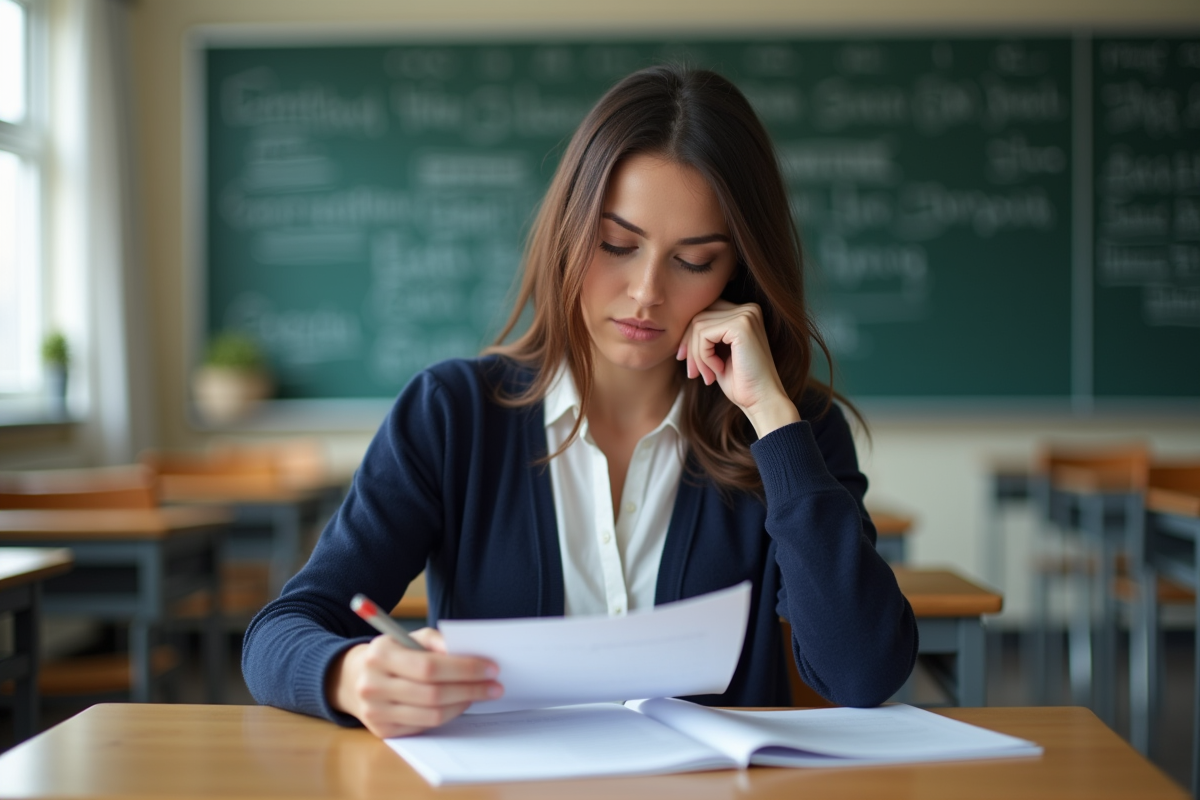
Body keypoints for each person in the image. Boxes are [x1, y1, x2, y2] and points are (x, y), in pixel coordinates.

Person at [242, 64, 918, 739]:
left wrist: (772, 417)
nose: (646, 293)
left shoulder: (795, 433)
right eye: (617, 245)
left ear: (738, 271)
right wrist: (349, 676)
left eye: (694, 260)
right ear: (569, 231)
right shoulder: (451, 415)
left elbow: (863, 672)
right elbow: (279, 634)